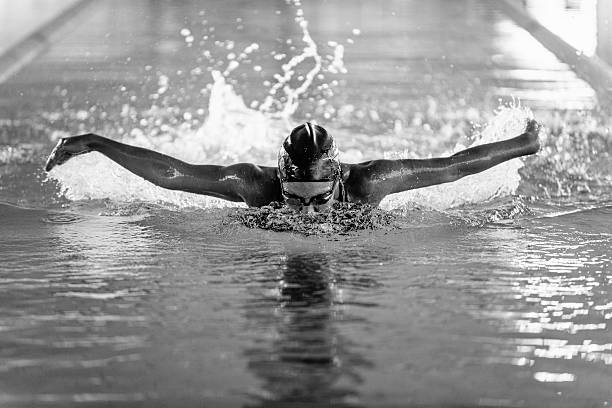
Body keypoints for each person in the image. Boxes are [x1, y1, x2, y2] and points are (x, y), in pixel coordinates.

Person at [44, 120, 541, 212]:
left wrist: (523, 143)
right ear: (280, 178)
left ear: (338, 177)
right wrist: (93, 142)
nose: (306, 212)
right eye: (294, 198)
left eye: (319, 198)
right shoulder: (254, 186)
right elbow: (173, 175)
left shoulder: (371, 182)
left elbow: (453, 167)